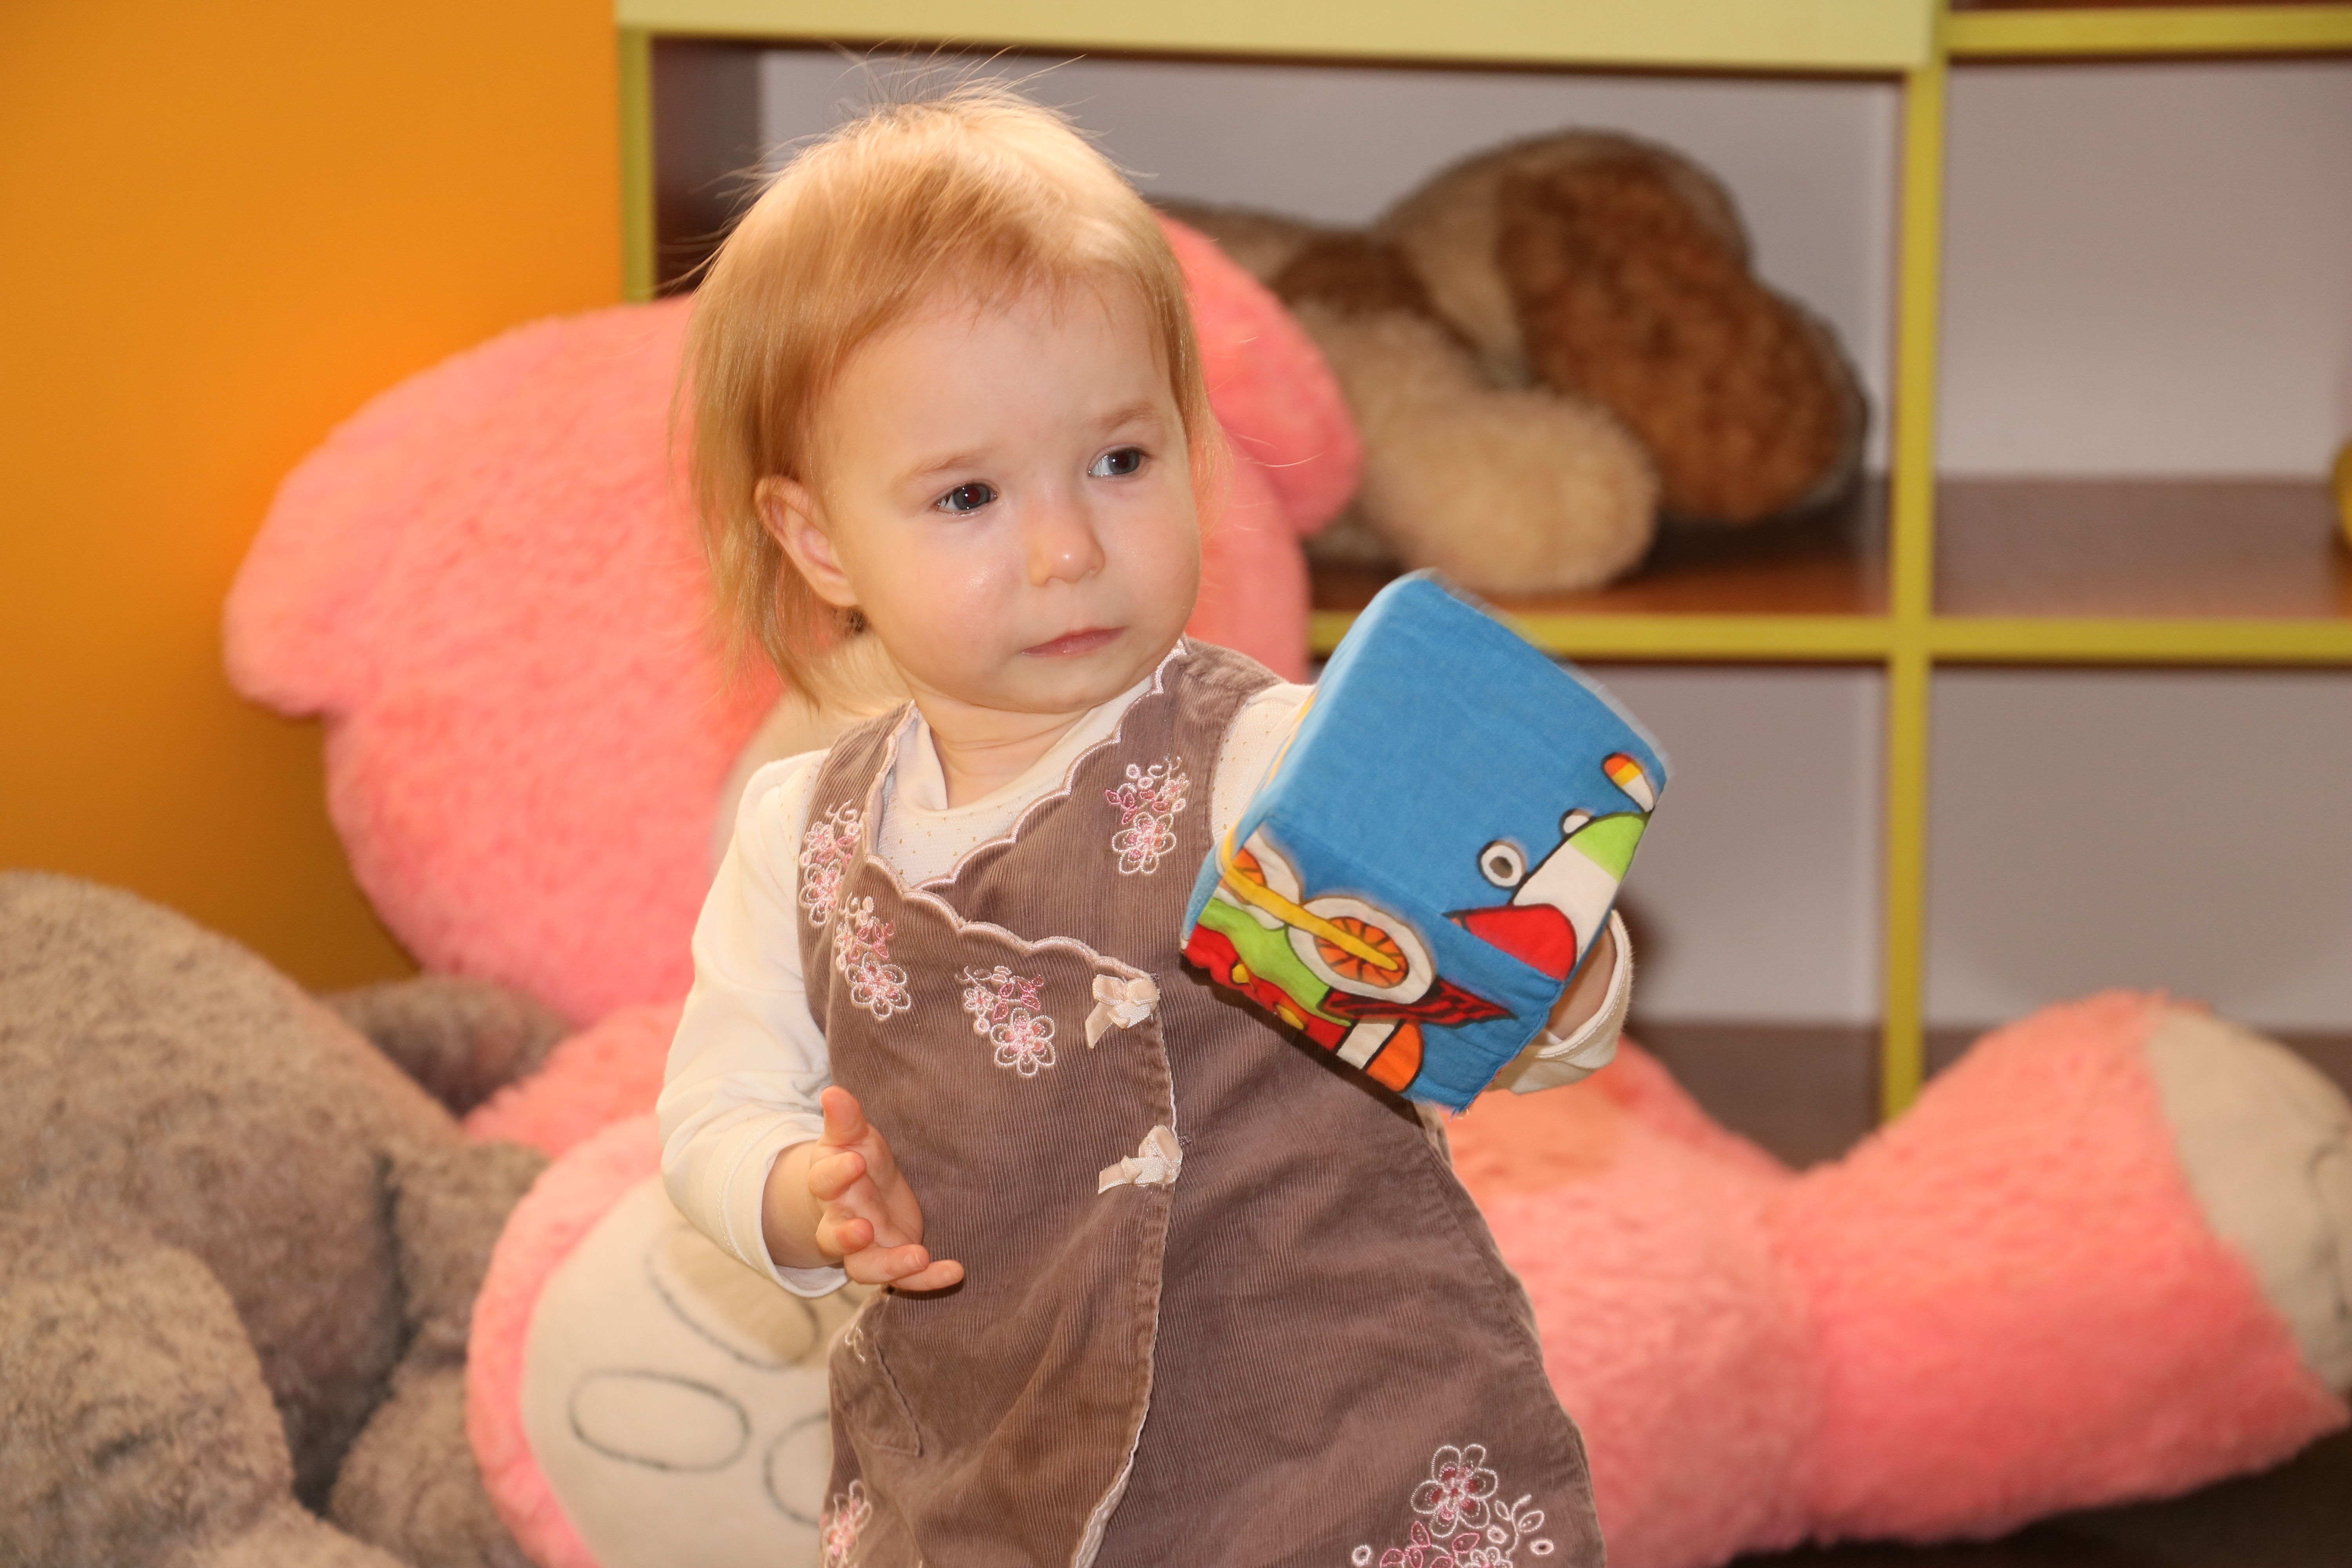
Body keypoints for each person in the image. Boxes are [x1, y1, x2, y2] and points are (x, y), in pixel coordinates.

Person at [658, 85, 1632, 1567]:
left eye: (1121, 462)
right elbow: (713, 1110)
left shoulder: (1267, 757)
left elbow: (1499, 1008)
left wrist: (1559, 973)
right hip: (988, 1479)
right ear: (819, 539)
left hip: (1338, 1462)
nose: (1067, 549)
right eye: (969, 496)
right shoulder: (804, 835)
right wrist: (798, 1197)